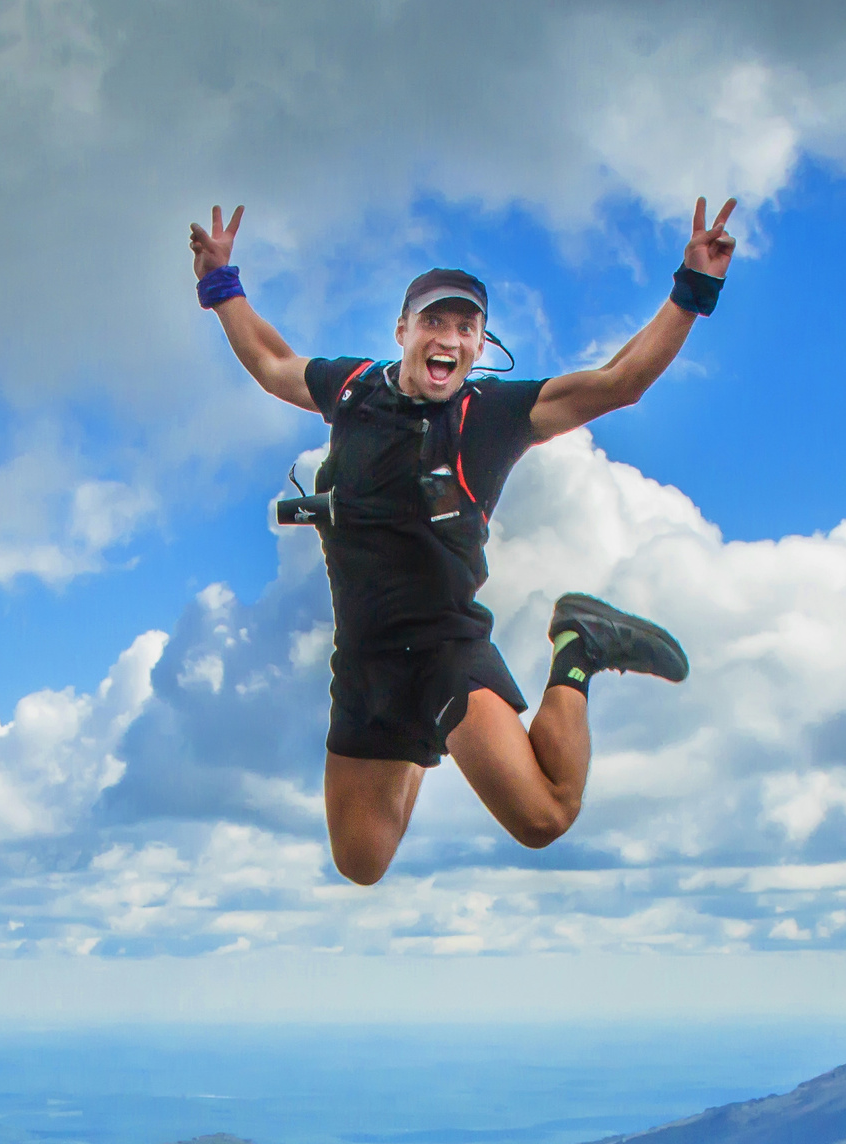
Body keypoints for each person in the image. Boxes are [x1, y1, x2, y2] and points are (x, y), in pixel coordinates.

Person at [189, 197, 737, 884]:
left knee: (545, 816)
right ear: (403, 330)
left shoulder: (493, 416)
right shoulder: (353, 388)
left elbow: (618, 383)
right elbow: (272, 362)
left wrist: (693, 288)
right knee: (360, 861)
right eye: (434, 321)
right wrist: (220, 285)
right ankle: (423, 734)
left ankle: (580, 644)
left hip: (445, 653)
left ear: (480, 347)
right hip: (363, 661)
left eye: (466, 326)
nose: (448, 336)